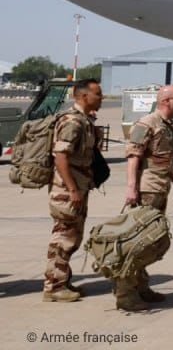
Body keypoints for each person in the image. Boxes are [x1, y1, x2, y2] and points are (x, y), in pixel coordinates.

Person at [120, 83, 173, 311]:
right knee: (140, 242)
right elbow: (133, 156)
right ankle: (125, 294)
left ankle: (141, 286)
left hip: (160, 188)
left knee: (151, 240)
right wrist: (131, 188)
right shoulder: (147, 123)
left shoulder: (167, 125)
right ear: (166, 101)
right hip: (147, 190)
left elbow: (165, 158)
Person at [42, 78, 103, 304]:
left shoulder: (84, 121)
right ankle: (54, 287)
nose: (101, 98)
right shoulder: (72, 122)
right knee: (63, 238)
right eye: (98, 94)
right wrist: (72, 189)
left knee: (72, 237)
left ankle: (62, 280)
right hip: (67, 191)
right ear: (83, 96)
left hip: (78, 188)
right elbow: (60, 157)